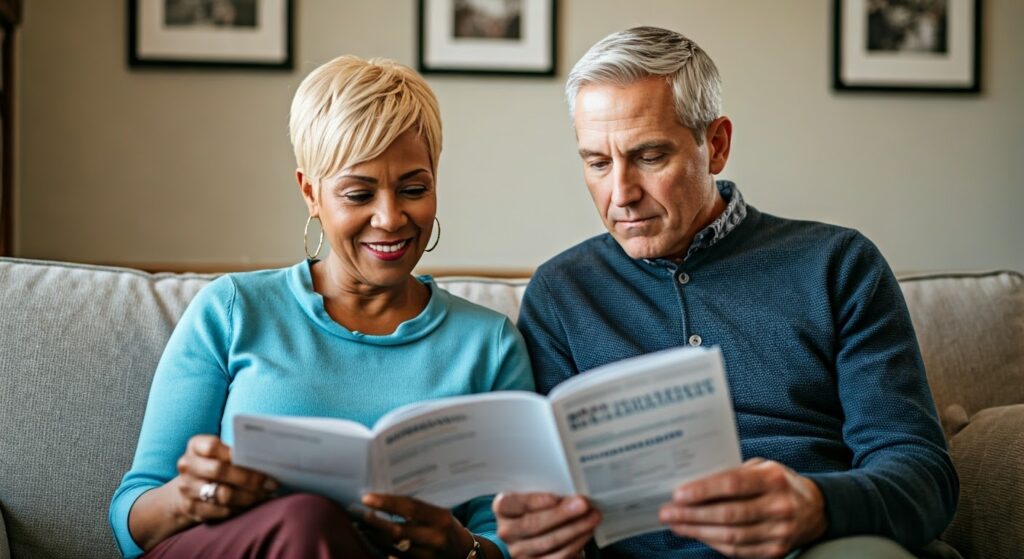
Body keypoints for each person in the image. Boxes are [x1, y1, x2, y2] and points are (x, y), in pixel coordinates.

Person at [493, 26, 958, 559]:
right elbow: (551, 499)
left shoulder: (837, 264)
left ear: (715, 146)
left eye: (648, 156)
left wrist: (817, 505)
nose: (620, 194)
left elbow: (924, 476)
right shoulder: (561, 293)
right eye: (597, 162)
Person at [109, 55, 532, 559]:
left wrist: (459, 546)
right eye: (358, 194)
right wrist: (192, 495)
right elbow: (131, 520)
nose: (391, 218)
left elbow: (509, 542)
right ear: (311, 193)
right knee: (307, 521)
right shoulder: (232, 310)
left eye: (414, 190)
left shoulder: (489, 345)